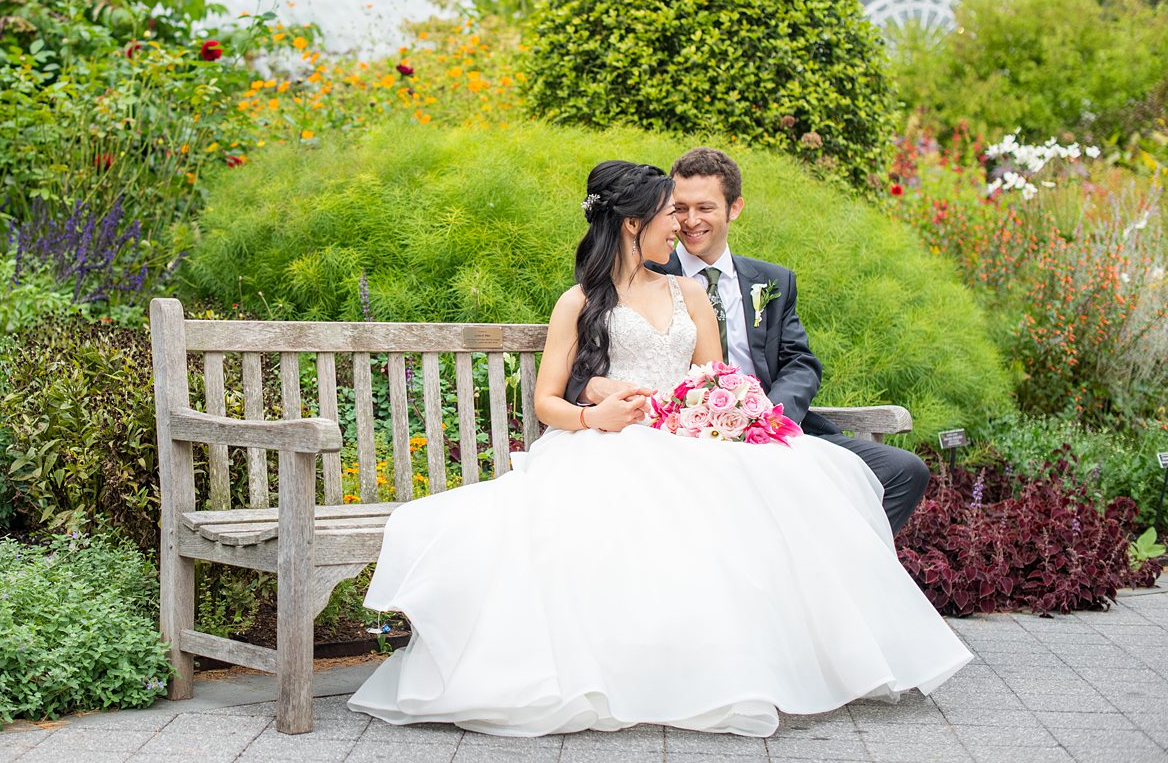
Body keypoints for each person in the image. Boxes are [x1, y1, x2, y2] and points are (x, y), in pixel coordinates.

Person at [347, 159, 971, 737]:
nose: (680, 225)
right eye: (670, 214)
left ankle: (796, 651)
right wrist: (596, 416)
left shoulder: (688, 295)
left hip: (687, 438)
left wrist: (710, 413)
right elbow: (546, 403)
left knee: (788, 487)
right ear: (632, 225)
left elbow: (714, 379)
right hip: (611, 441)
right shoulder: (580, 302)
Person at [568, 146, 930, 534]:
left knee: (904, 471)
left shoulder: (771, 280)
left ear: (734, 208)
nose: (689, 222)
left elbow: (800, 363)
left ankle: (825, 572)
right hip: (690, 440)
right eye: (680, 208)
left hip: (775, 427)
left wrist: (765, 417)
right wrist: (591, 387)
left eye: (704, 208)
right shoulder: (642, 270)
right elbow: (590, 354)